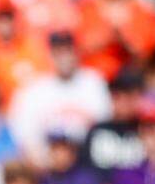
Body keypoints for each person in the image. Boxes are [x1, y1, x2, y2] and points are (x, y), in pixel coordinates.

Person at [9, 29, 112, 168]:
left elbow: (105, 125)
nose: (64, 57)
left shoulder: (93, 82)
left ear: (77, 52)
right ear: (50, 55)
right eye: (58, 52)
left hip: (89, 163)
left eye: (68, 50)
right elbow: (26, 136)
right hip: (50, 167)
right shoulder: (34, 90)